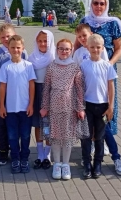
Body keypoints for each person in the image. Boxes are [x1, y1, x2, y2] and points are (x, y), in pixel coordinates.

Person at [76, 0, 121, 175]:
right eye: (96, 3)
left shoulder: (113, 22)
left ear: (106, 5)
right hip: (88, 73)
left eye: (102, 3)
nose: (98, 6)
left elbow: (119, 48)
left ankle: (109, 149)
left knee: (106, 114)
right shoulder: (85, 20)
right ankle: (92, 147)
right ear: (91, 4)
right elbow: (77, 44)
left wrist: (108, 65)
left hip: (106, 72)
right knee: (91, 117)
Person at [40, 39, 88, 180]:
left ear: (71, 50)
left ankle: (66, 164)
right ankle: (57, 163)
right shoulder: (52, 66)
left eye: (67, 49)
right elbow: (46, 88)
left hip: (69, 106)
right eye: (61, 48)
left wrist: (80, 108)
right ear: (57, 49)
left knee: (67, 135)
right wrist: (44, 106)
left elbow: (79, 89)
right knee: (55, 136)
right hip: (54, 105)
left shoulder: (74, 67)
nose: (64, 51)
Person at [0, 24, 28, 166]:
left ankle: (16, 152)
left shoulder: (23, 52)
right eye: (3, 37)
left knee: (18, 125)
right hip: (3, 96)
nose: (6, 39)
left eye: (9, 36)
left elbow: (28, 73)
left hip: (19, 96)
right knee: (3, 124)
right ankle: (4, 151)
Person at [0, 35, 36, 174]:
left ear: (23, 48)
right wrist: (2, 105)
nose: (15, 50)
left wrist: (31, 104)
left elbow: (32, 86)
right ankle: (15, 158)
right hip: (10, 109)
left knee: (25, 135)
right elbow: (2, 87)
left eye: (18, 47)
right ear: (8, 48)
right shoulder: (5, 67)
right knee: (12, 136)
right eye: (12, 47)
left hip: (25, 108)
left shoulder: (28, 66)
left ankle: (24, 158)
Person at [80, 34, 116, 179]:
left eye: (98, 47)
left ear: (102, 48)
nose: (95, 49)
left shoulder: (107, 65)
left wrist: (111, 106)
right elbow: (80, 86)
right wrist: (80, 106)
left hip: (102, 106)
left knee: (100, 137)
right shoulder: (83, 65)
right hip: (87, 105)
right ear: (87, 47)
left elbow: (111, 86)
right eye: (92, 47)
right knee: (86, 136)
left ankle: (98, 163)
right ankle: (87, 164)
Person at [28, 30, 56, 170]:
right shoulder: (31, 58)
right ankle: (39, 155)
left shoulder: (54, 57)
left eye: (46, 41)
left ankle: (48, 155)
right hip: (36, 91)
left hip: (51, 92)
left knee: (49, 124)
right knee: (38, 124)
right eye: (40, 41)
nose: (43, 43)